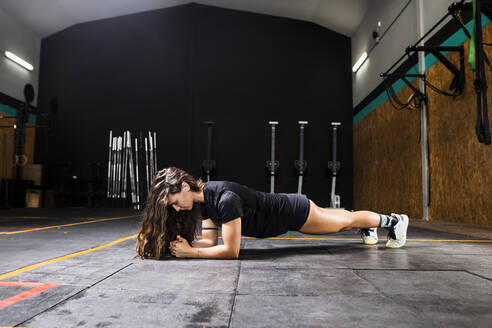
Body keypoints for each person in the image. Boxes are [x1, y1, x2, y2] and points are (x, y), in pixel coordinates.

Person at [135, 166, 409, 260]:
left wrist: (190, 253)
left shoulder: (224, 199)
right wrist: (184, 245)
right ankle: (369, 226)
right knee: (341, 218)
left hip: (293, 213)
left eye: (173, 201)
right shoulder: (205, 200)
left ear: (184, 186)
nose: (175, 207)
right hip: (291, 207)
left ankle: (393, 221)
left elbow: (230, 251)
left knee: (344, 222)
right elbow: (211, 242)